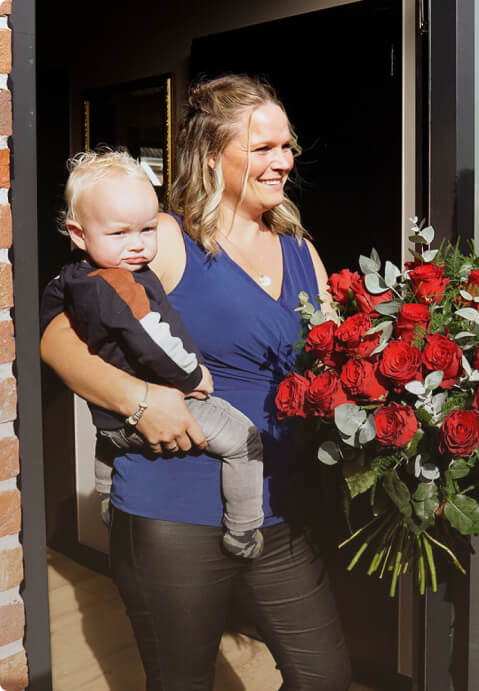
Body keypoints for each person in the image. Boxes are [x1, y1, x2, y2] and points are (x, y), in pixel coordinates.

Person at [40, 74, 351, 690]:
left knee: (325, 676)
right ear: (213, 157)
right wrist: (140, 401)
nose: (282, 161)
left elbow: (332, 362)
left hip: (278, 512)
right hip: (172, 514)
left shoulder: (299, 249)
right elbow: (55, 333)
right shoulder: (166, 239)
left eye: (286, 147)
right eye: (262, 148)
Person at [41, 149, 265, 559]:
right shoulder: (119, 282)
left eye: (147, 229)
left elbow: (50, 309)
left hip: (109, 422)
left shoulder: (72, 277)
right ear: (78, 234)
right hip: (155, 405)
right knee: (243, 440)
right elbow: (152, 337)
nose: (139, 245)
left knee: (110, 441)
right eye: (120, 234)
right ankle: (244, 530)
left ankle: (106, 495)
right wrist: (193, 375)